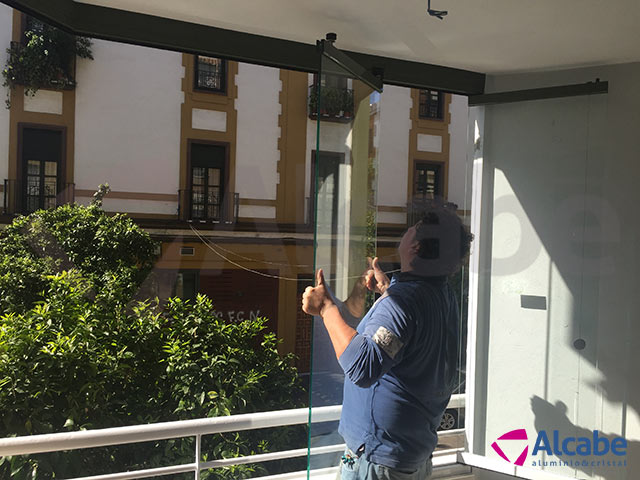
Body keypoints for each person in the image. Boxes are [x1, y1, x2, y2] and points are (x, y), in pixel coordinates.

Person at [302, 202, 473, 480]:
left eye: (412, 230)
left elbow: (361, 366)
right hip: (410, 456)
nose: (406, 231)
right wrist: (388, 290)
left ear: (415, 247)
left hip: (378, 462)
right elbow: (410, 333)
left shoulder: (403, 302)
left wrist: (325, 308)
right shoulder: (442, 296)